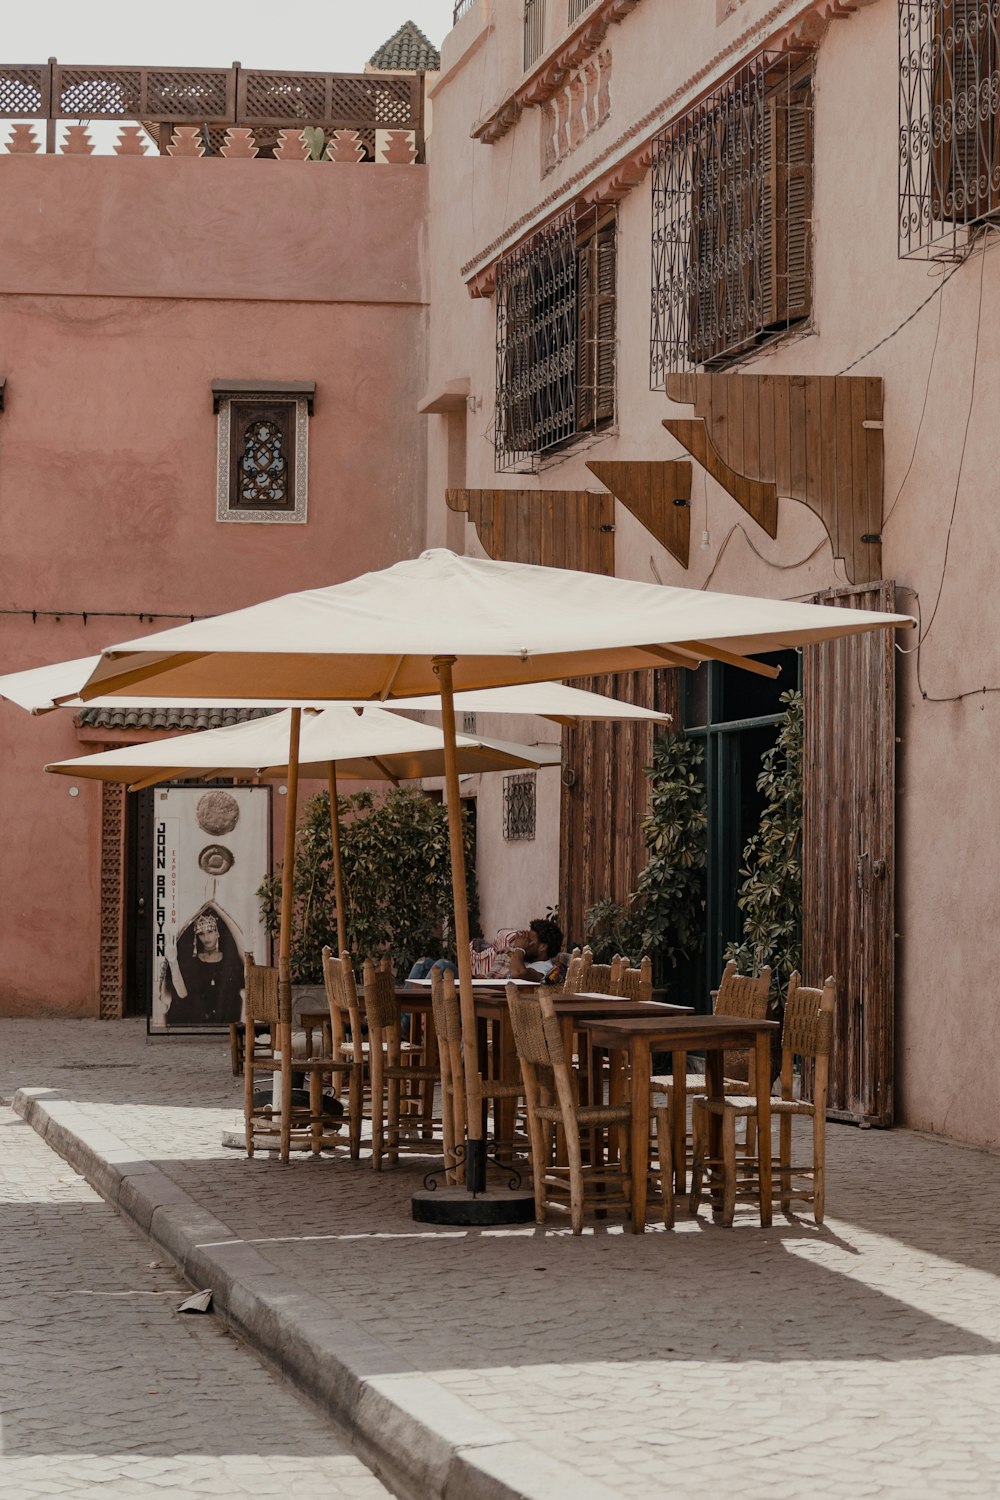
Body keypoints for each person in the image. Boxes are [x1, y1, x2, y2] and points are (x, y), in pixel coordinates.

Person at [160, 903, 246, 1027]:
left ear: (217, 933)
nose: (206, 937)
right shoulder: (193, 962)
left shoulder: (230, 962)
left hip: (225, 1024)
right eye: (201, 933)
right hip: (197, 1022)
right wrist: (173, 962)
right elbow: (182, 994)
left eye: (210, 931)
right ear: (196, 937)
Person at [506, 917, 564, 984]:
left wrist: (519, 948)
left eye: (529, 940)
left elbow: (517, 973)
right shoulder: (528, 963)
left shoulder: (545, 969)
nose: (524, 943)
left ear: (542, 947)